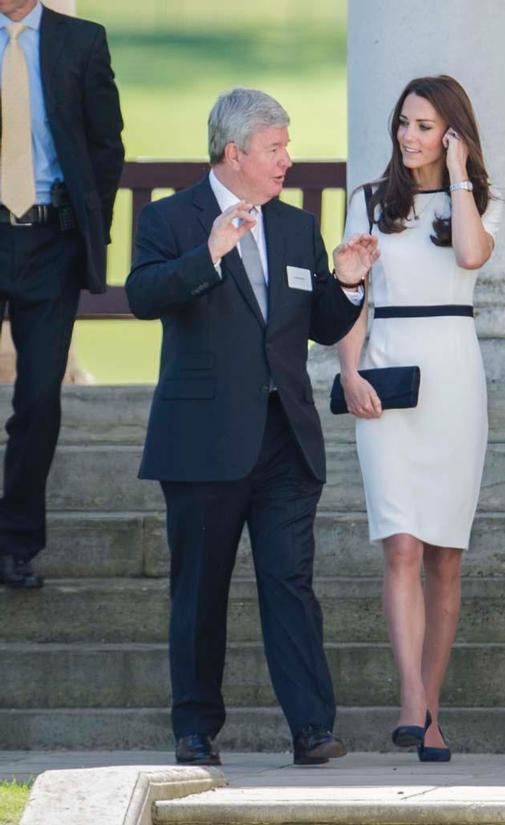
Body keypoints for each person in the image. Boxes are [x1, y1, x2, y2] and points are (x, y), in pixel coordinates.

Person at [125, 88, 374, 767]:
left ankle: (312, 729)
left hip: (284, 440)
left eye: (286, 147)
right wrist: (207, 256)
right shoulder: (172, 219)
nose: (286, 160)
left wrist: (347, 284)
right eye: (274, 149)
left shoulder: (294, 227)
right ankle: (195, 728)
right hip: (203, 442)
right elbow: (142, 295)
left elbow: (320, 323)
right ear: (234, 154)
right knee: (199, 588)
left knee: (290, 583)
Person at [337, 75, 500, 763]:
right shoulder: (369, 202)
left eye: (425, 125)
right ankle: (411, 698)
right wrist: (349, 373)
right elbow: (352, 293)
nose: (409, 136)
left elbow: (469, 255)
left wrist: (459, 176)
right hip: (385, 372)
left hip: (454, 378)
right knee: (400, 542)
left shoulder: (486, 202)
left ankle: (431, 709)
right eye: (403, 121)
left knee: (444, 555)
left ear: (453, 132)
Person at [0, 0, 123, 588]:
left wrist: (84, 228)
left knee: (39, 398)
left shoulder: (82, 41)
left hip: (49, 241)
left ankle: (15, 545)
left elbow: (106, 146)